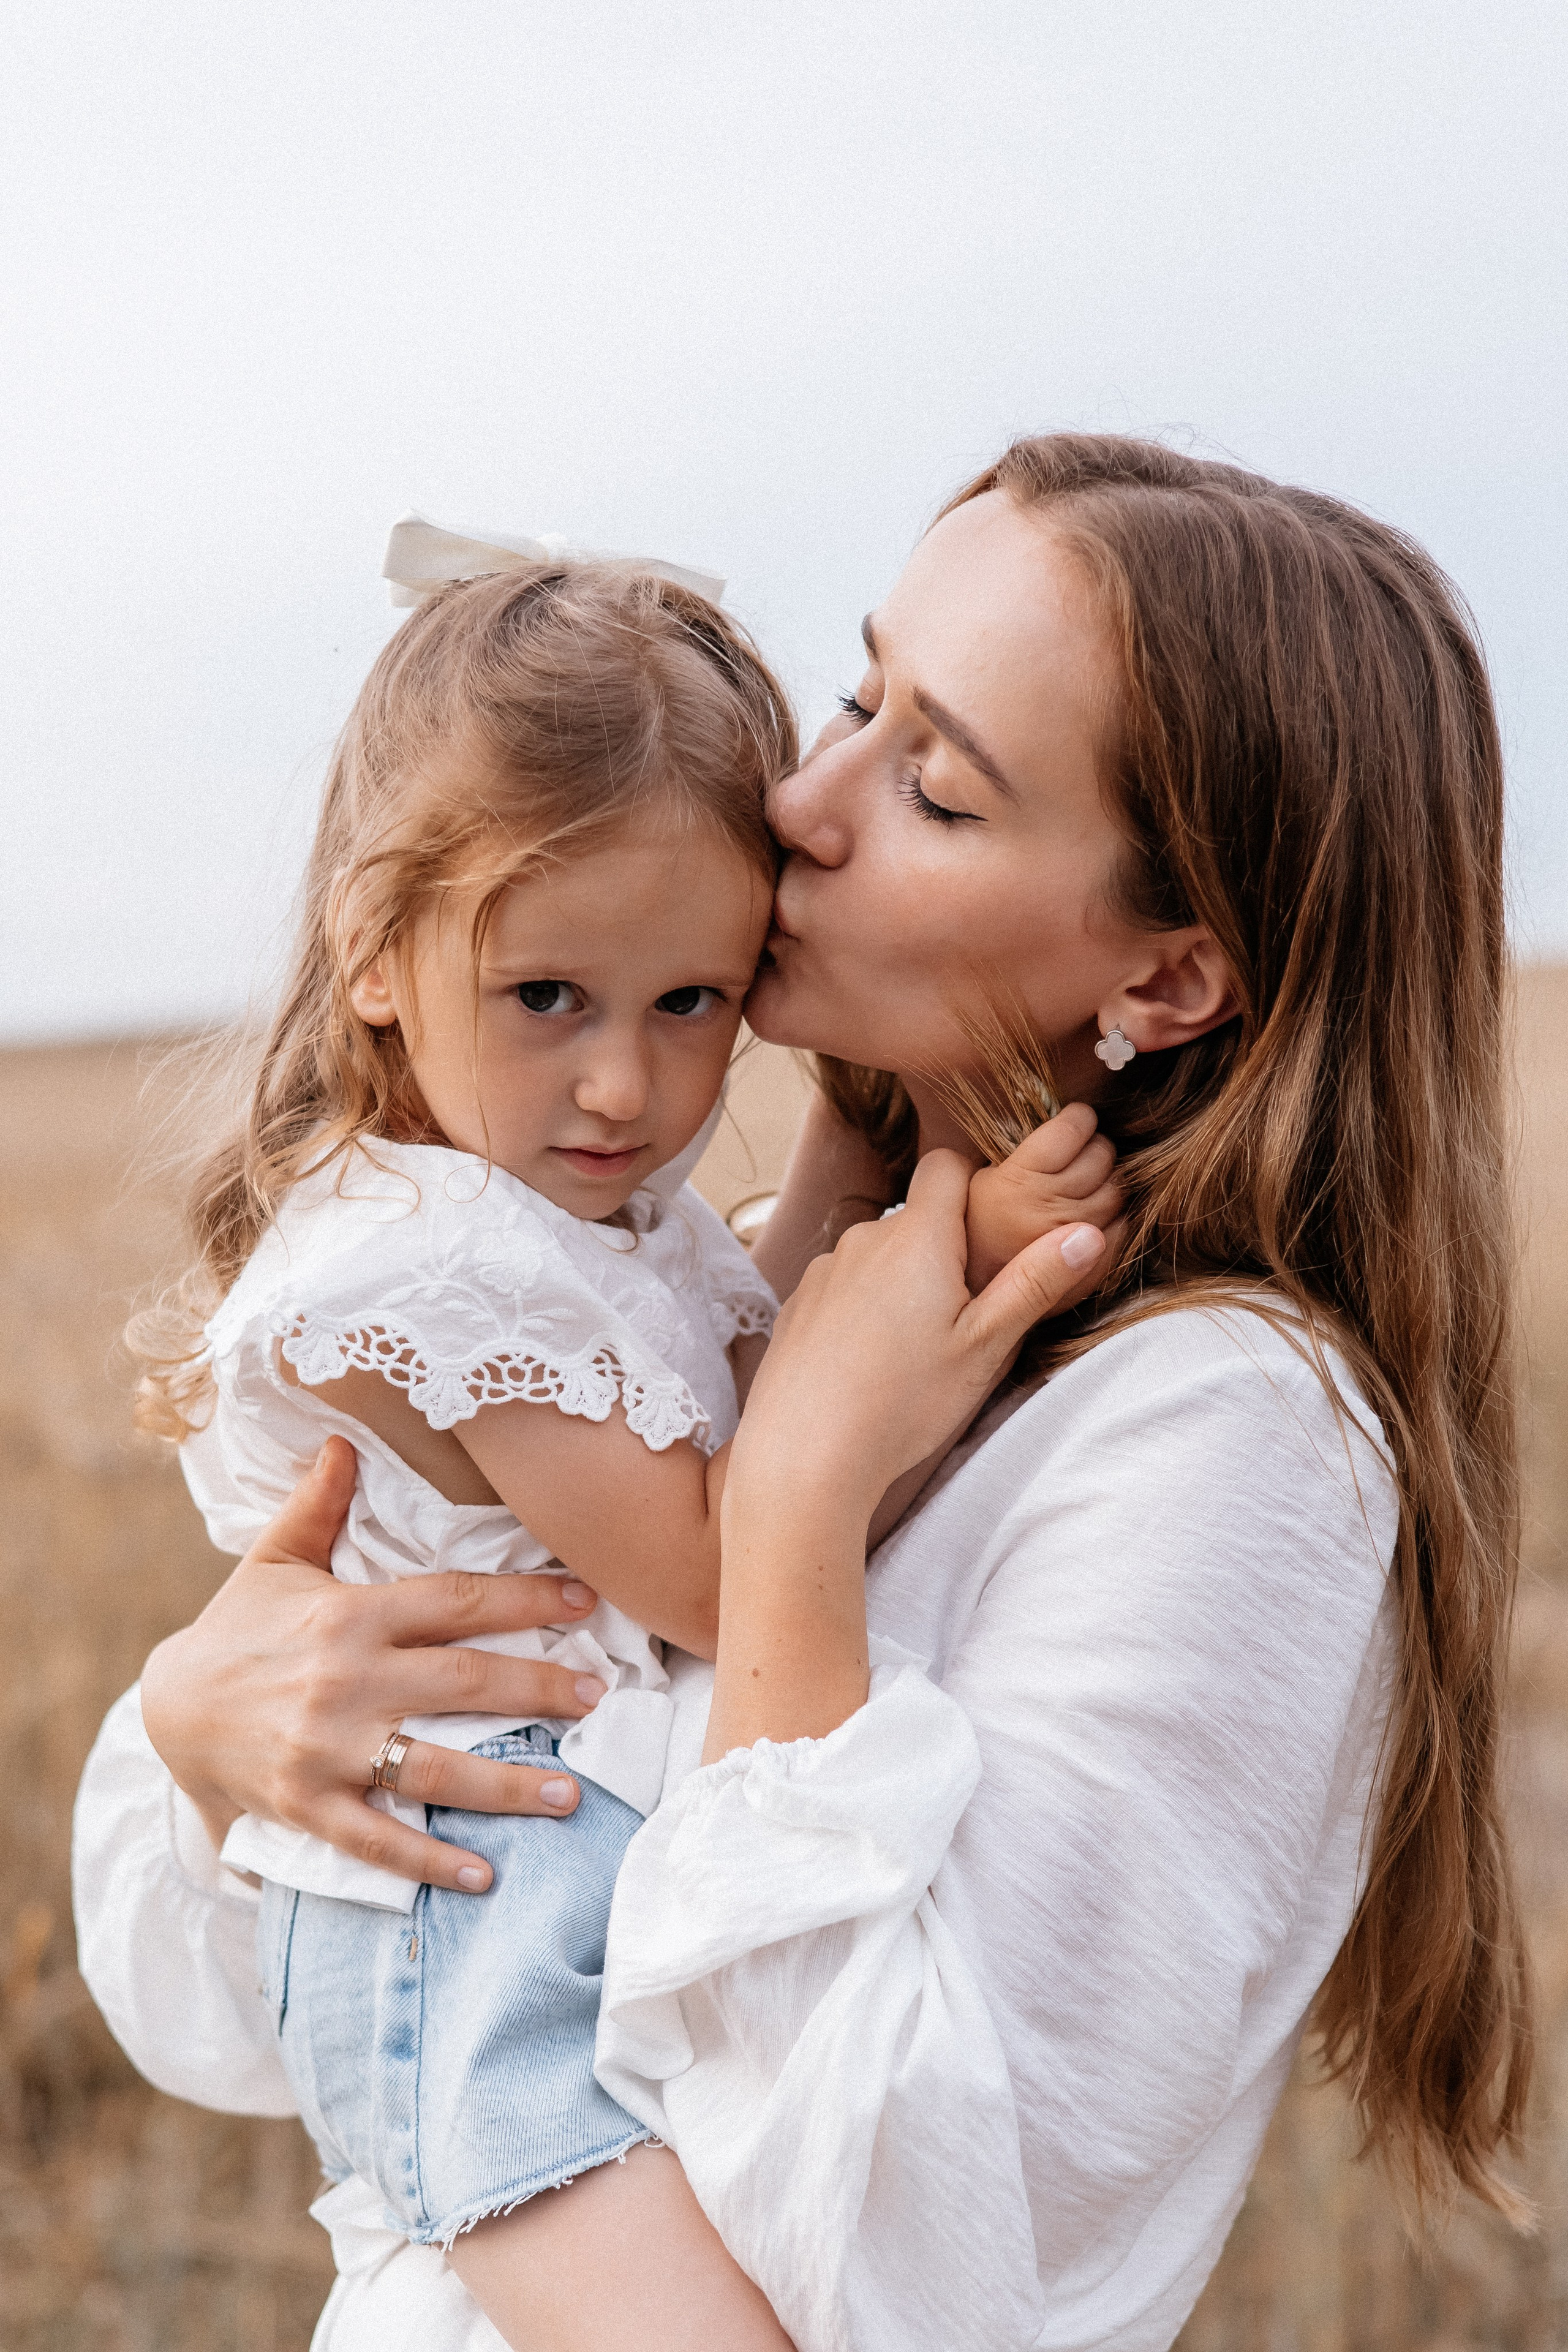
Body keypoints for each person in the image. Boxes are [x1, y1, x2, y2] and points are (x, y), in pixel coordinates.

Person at [74, 435, 1528, 2352]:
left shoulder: (1234, 1443)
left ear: (1170, 980)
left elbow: (915, 2269)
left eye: (931, 781)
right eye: (857, 694)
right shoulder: (739, 1282)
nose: (802, 801)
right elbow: (206, 2011)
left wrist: (792, 1522)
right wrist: (204, 1726)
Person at [111, 549, 1117, 2350]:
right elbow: (713, 1552)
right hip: (471, 1914)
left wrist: (877, 1189)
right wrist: (959, 1271)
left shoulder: (567, 1203)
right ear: (373, 957)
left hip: (550, 1864)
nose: (627, 1092)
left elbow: (742, 1353)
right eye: (549, 999)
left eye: (692, 1005)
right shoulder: (443, 1265)